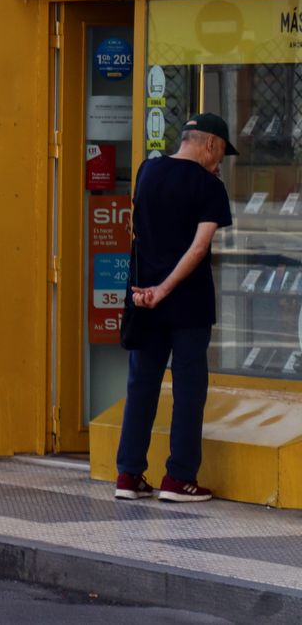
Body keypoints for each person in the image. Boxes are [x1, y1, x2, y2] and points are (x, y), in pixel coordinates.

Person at [113, 113, 234, 503]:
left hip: (144, 299)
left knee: (142, 386)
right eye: (221, 156)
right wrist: (166, 289)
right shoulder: (209, 186)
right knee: (188, 390)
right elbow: (199, 248)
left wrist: (148, 291)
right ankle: (179, 478)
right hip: (188, 306)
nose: (220, 164)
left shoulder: (147, 171)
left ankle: (129, 476)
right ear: (211, 145)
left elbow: (141, 235)